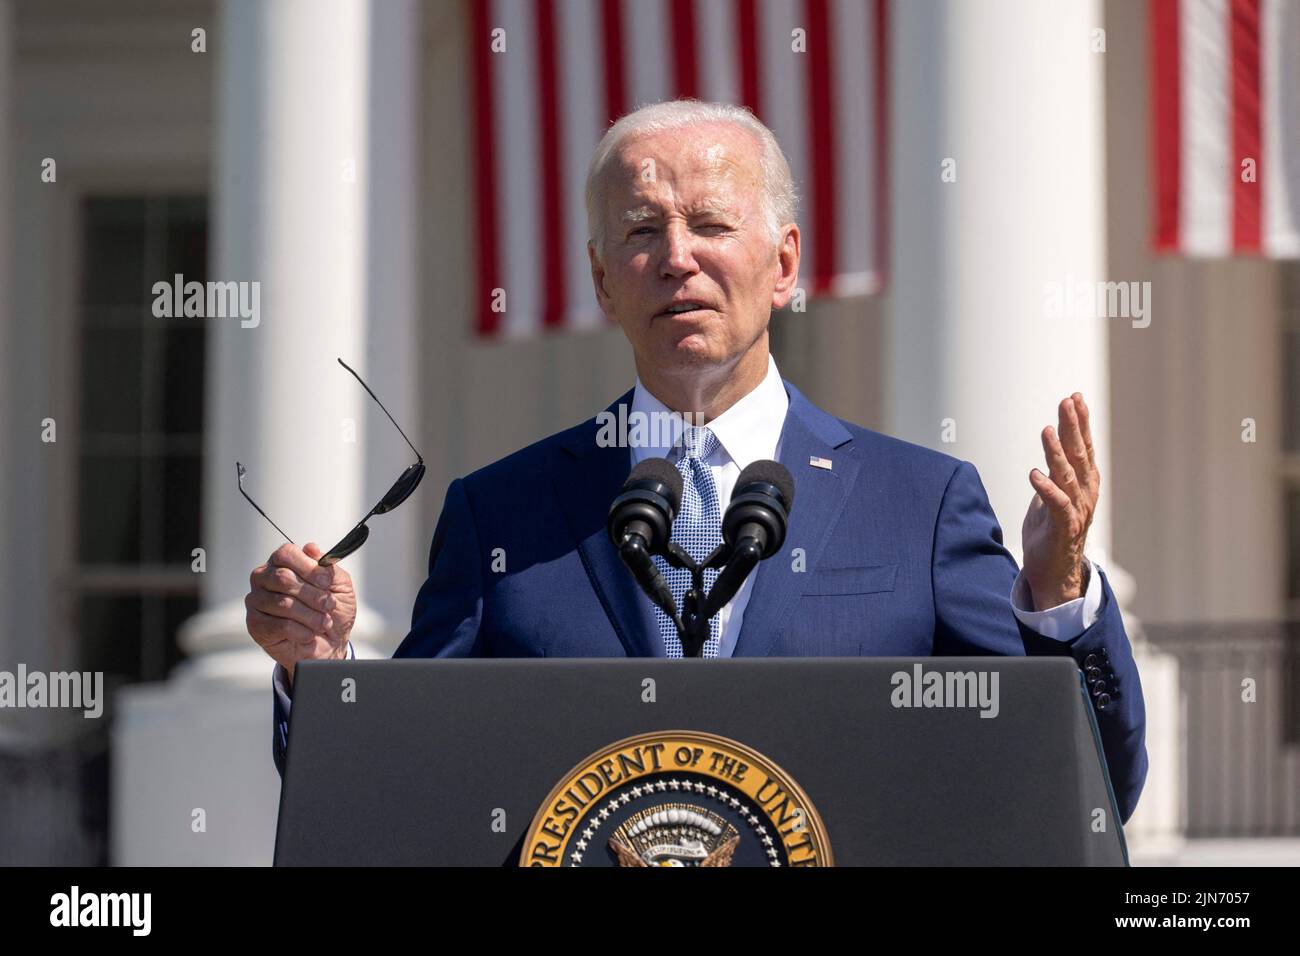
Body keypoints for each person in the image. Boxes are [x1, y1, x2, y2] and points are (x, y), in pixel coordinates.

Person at [245, 99, 1147, 821]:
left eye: (711, 222)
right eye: (641, 232)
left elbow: (1086, 786)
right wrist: (322, 676)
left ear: (784, 263)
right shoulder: (502, 514)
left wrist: (1060, 600)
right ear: (603, 279)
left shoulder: (919, 503)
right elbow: (403, 798)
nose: (676, 258)